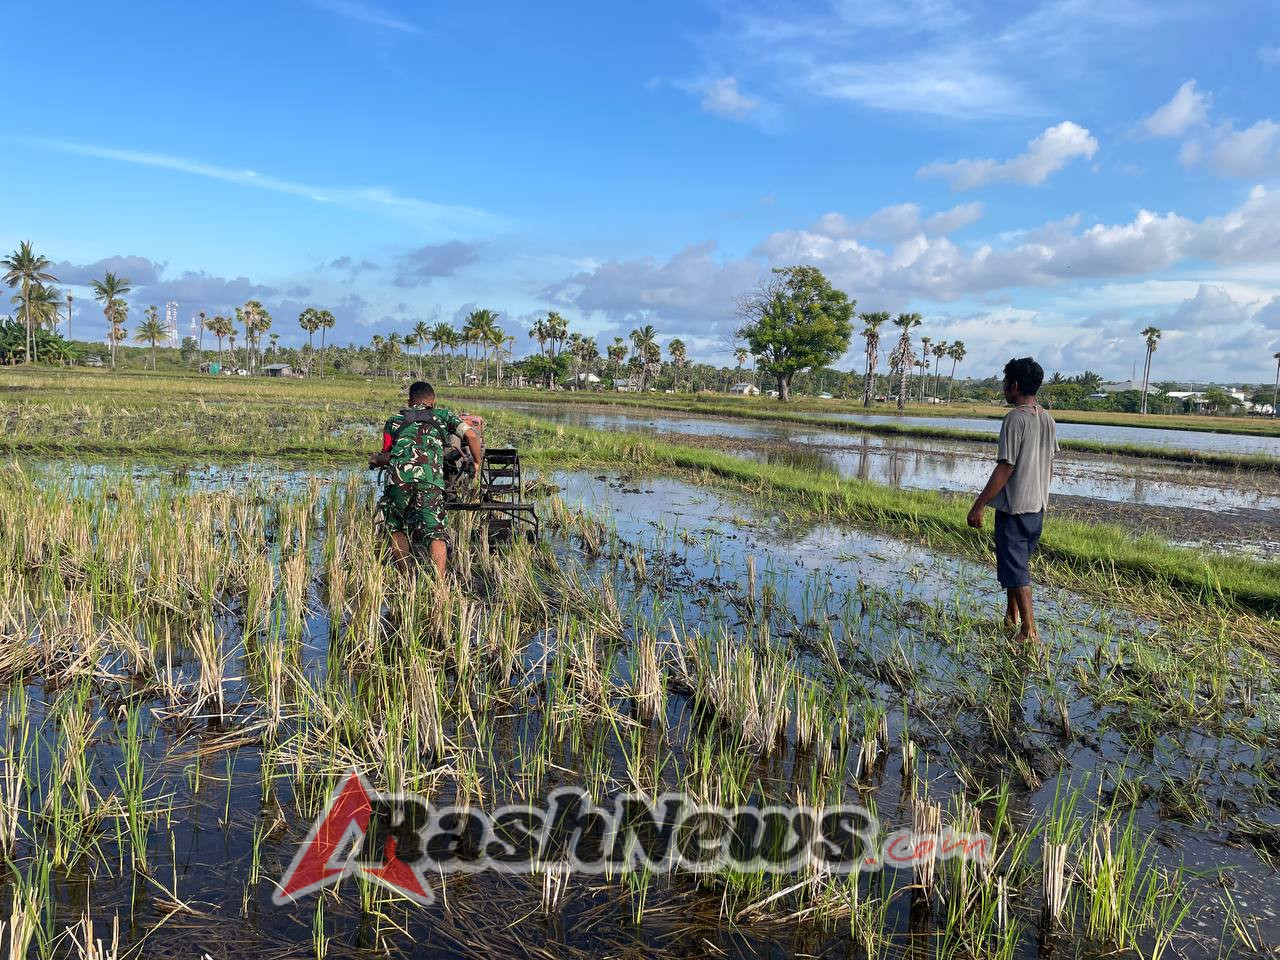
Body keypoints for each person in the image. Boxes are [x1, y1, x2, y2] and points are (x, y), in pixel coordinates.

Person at [966, 357, 1058, 642]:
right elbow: (1050, 463)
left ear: (1014, 385)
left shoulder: (1015, 419)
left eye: (1005, 383)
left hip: (1015, 508)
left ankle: (1028, 629)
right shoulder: (1047, 418)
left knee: (1017, 571)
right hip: (1037, 508)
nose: (1004, 388)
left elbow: (1006, 466)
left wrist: (979, 504)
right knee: (1015, 565)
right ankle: (1011, 616)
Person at [369, 381, 483, 577]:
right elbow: (472, 436)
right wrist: (477, 462)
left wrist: (375, 459)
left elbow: (387, 455)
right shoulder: (443, 416)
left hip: (398, 479)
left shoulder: (394, 420)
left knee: (396, 528)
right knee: (435, 533)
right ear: (434, 402)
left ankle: (406, 576)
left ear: (409, 401)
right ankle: (439, 583)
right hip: (430, 481)